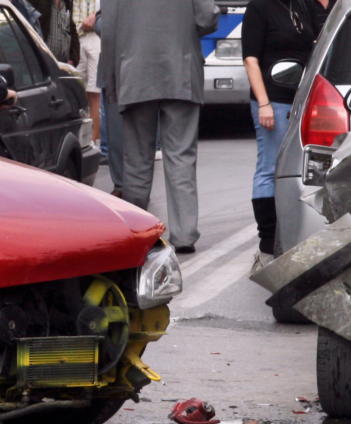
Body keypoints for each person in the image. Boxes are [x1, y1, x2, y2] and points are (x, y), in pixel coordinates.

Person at [100, 0, 219, 254]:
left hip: (133, 72)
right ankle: (184, 234)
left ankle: (140, 231)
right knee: (181, 156)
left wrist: (110, 81)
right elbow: (207, 17)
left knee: (137, 159)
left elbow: (108, 30)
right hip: (181, 69)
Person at [242, 0, 319, 255]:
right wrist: (263, 103)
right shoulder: (259, 7)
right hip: (272, 99)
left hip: (303, 99)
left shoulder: (300, 5)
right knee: (270, 166)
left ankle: (294, 228)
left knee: (300, 166)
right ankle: (268, 235)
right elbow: (250, 60)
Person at [73, 0, 100, 149]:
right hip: (76, 36)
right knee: (76, 90)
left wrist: (95, 14)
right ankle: (79, 141)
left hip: (96, 35)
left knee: (95, 92)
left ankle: (94, 142)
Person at [30, 0, 80, 65]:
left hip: (63, 66)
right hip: (42, 65)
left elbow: (72, 30)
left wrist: (73, 59)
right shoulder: (37, 3)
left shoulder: (66, 3)